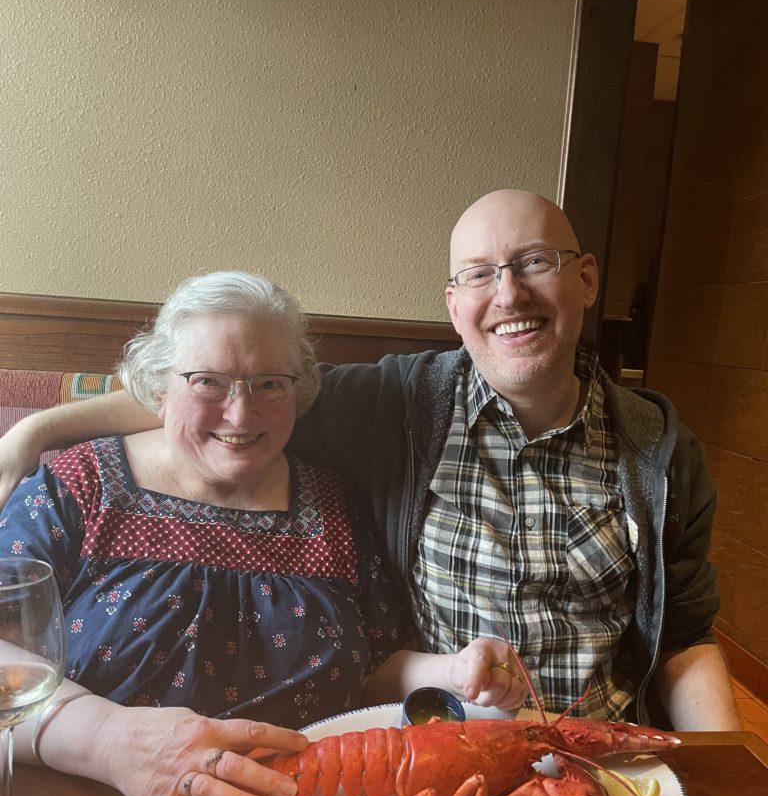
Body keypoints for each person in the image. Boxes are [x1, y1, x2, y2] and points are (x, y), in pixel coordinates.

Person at [0, 192, 740, 730]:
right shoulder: (397, 403)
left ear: (585, 279)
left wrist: (724, 776)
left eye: (533, 264)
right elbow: (228, 390)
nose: (508, 292)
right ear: (454, 305)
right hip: (438, 748)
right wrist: (35, 434)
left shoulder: (660, 451)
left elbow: (685, 635)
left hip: (597, 747)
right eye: (480, 273)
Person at [0, 270, 527, 796]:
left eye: (269, 384)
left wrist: (455, 671)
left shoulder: (336, 504)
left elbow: (376, 668)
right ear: (155, 387)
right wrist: (106, 738)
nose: (240, 412)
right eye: (208, 382)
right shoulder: (78, 487)